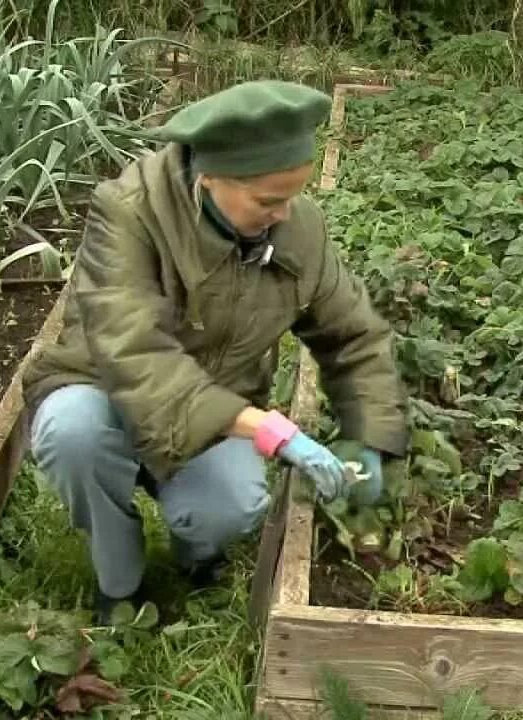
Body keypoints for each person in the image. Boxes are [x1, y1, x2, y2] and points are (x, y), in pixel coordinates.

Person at [20, 80, 409, 622]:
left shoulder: (297, 230)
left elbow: (353, 336)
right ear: (209, 180)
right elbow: (135, 352)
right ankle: (119, 581)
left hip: (221, 407)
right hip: (106, 391)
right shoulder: (129, 214)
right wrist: (269, 430)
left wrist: (372, 435)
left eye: (294, 196)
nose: (284, 213)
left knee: (229, 508)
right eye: (268, 201)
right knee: (72, 433)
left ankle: (196, 551)